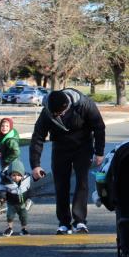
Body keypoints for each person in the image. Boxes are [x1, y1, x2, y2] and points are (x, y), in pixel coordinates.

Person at [30, 88, 106, 235]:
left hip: (83, 146)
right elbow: (38, 137)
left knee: (82, 182)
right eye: (55, 114)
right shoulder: (47, 112)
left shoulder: (84, 105)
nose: (59, 116)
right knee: (61, 184)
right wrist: (35, 165)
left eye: (60, 113)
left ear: (67, 105)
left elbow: (99, 127)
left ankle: (80, 220)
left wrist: (99, 152)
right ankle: (64, 222)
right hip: (60, 148)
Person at [0, 160, 32, 237]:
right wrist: (2, 196)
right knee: (10, 216)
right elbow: (2, 190)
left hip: (22, 204)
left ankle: (24, 229)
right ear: (10, 175)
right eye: (13, 175)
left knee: (24, 217)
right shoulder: (7, 182)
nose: (16, 177)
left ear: (22, 175)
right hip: (11, 203)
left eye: (18, 175)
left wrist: (29, 197)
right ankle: (9, 228)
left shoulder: (25, 181)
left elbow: (29, 189)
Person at [0, 117, 20, 184]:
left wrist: (7, 160)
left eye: (7, 126)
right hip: (4, 164)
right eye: (2, 126)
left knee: (9, 180)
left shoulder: (11, 140)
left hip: (12, 164)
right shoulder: (0, 137)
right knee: (5, 178)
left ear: (10, 127)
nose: (4, 128)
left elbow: (16, 152)